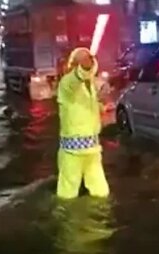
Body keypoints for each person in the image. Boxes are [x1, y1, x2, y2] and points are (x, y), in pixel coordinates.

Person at [56, 47, 110, 199]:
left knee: (101, 192)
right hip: (72, 152)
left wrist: (103, 106)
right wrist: (85, 65)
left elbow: (88, 106)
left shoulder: (89, 85)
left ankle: (100, 219)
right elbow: (78, 76)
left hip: (92, 149)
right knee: (67, 194)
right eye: (82, 60)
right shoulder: (67, 84)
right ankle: (64, 218)